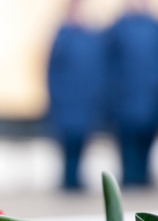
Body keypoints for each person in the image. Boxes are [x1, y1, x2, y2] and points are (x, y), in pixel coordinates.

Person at [107, 0, 158, 187]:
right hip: (125, 103)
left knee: (146, 151)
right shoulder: (117, 29)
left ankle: (143, 185)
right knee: (128, 155)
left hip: (150, 102)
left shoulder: (157, 28)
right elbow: (109, 66)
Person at [47, 0, 106, 190]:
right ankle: (69, 181)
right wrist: (58, 99)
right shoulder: (62, 37)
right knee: (68, 145)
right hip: (67, 103)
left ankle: (76, 180)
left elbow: (97, 70)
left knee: (82, 142)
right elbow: (52, 72)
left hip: (85, 102)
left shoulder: (92, 37)